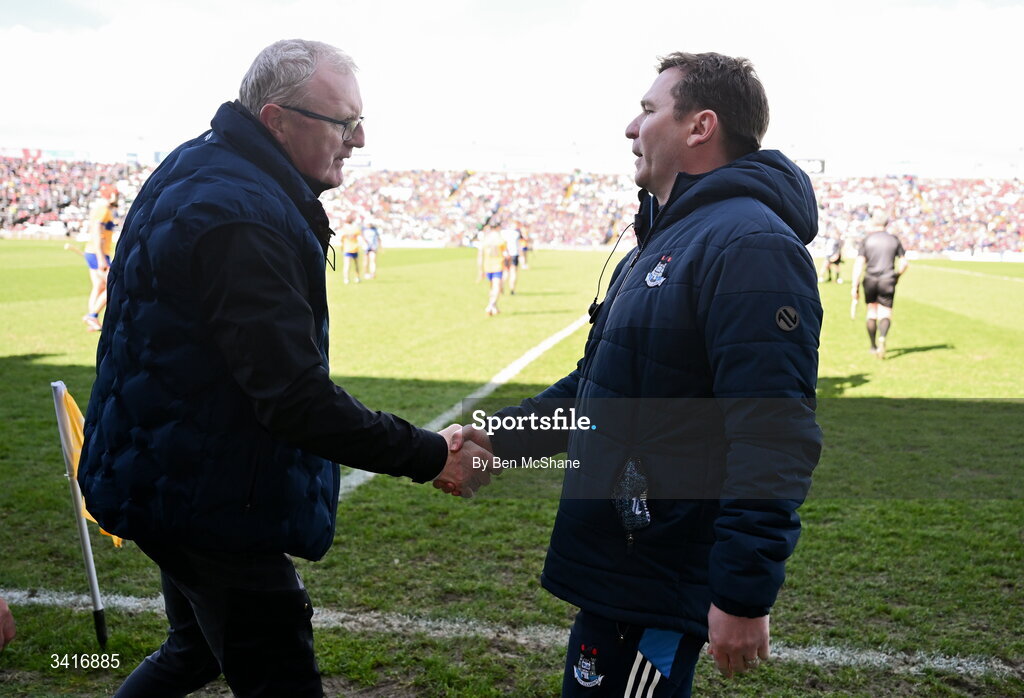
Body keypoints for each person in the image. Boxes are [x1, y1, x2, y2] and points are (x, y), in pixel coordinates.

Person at [77, 39, 493, 698]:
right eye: (343, 122)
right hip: (206, 494)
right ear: (275, 120)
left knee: (193, 649)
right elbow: (293, 397)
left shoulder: (208, 165)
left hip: (164, 471)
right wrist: (425, 453)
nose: (360, 139)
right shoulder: (241, 214)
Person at [454, 52, 822, 696]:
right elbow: (599, 390)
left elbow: (772, 433)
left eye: (649, 110)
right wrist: (498, 439)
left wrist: (742, 593)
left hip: (660, 568)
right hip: (622, 566)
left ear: (700, 127)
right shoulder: (663, 241)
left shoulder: (750, 245)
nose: (631, 126)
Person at [851, 210, 909, 359]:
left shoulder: (867, 240)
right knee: (886, 312)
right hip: (887, 278)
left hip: (870, 279)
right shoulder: (894, 239)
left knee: (872, 311)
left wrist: (854, 286)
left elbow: (859, 264)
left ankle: (873, 346)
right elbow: (904, 263)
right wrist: (897, 276)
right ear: (886, 223)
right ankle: (882, 337)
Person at [82, 184, 117, 331]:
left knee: (98, 286)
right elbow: (97, 233)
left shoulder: (100, 209)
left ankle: (92, 320)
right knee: (112, 285)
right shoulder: (104, 211)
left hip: (92, 252)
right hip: (99, 253)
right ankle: (92, 315)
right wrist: (101, 257)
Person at [477, 226, 508, 315]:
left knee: (493, 288)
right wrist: (507, 268)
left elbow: (480, 256)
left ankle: (494, 307)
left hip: (488, 267)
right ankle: (491, 305)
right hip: (498, 266)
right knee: (496, 288)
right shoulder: (500, 240)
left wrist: (480, 270)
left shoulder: (485, 241)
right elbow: (506, 255)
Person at [338, 212, 363, 283]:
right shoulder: (355, 228)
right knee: (355, 265)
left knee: (347, 265)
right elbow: (359, 237)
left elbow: (341, 239)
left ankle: (346, 279)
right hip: (353, 248)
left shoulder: (344, 228)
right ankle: (357, 278)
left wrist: (341, 247)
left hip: (348, 248)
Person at [500, 221, 521, 294]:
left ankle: (501, 287)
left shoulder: (503, 233)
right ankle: (512, 289)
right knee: (513, 272)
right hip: (514, 254)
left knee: (505, 272)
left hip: (506, 254)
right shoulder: (516, 233)